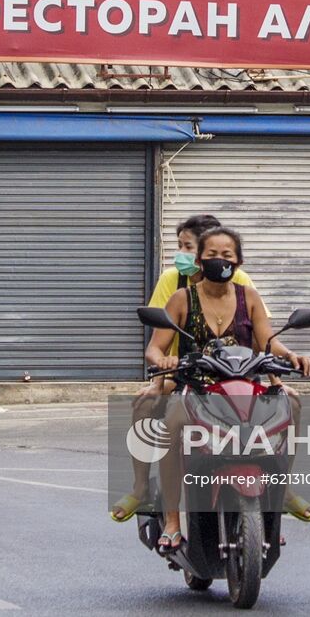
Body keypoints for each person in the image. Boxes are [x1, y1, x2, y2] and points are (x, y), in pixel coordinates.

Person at [144, 226, 310, 551]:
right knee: (171, 425)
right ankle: (171, 520)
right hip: (198, 389)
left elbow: (267, 341)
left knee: (291, 405)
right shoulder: (182, 298)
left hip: (245, 387)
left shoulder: (248, 296)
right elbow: (155, 348)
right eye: (211, 255)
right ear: (198, 260)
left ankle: (280, 493)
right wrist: (163, 361)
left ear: (238, 261)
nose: (219, 261)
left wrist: (293, 357)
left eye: (227, 255)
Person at [111, 214, 256, 522]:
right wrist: (161, 377)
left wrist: (276, 373)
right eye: (180, 246)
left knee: (283, 407)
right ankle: (141, 489)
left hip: (235, 376)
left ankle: (280, 490)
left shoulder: (241, 283)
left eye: (186, 247)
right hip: (183, 375)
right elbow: (158, 341)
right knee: (145, 406)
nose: (180, 254)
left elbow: (263, 335)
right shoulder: (172, 282)